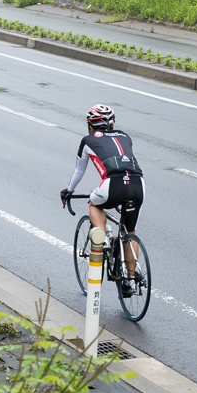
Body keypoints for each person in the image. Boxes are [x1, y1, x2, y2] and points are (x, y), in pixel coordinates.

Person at [59, 104, 143, 290]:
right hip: (138, 184)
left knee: (94, 203)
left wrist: (69, 190)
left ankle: (101, 236)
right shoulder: (125, 136)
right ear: (112, 124)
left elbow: (79, 170)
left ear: (90, 124)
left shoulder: (88, 140)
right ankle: (129, 280)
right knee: (130, 232)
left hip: (112, 183)